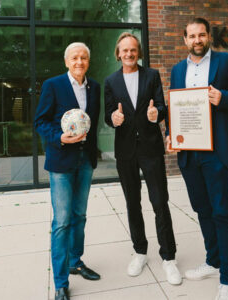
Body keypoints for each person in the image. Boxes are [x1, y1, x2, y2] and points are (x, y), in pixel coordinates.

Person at [166, 17, 228, 300]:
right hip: (190, 153)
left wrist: (224, 97)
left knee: (223, 212)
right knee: (203, 210)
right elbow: (176, 106)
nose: (197, 40)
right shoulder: (178, 69)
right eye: (192, 36)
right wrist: (170, 134)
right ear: (185, 39)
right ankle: (213, 261)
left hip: (219, 152)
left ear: (209, 37)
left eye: (201, 35)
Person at [104, 32, 182, 285]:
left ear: (139, 53)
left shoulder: (152, 75)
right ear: (118, 54)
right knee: (132, 203)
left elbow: (161, 106)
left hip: (150, 148)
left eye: (133, 50)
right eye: (124, 50)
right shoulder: (110, 81)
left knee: (160, 202)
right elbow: (108, 114)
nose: (129, 54)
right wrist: (113, 119)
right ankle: (140, 252)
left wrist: (155, 113)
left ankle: (169, 257)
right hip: (125, 151)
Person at [34, 42, 101, 300]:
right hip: (61, 161)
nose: (79, 61)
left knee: (80, 215)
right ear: (66, 61)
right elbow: (40, 121)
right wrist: (60, 138)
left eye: (84, 57)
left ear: (88, 62)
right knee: (62, 222)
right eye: (74, 57)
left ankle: (76, 261)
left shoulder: (94, 87)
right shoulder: (53, 85)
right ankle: (61, 282)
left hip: (85, 160)